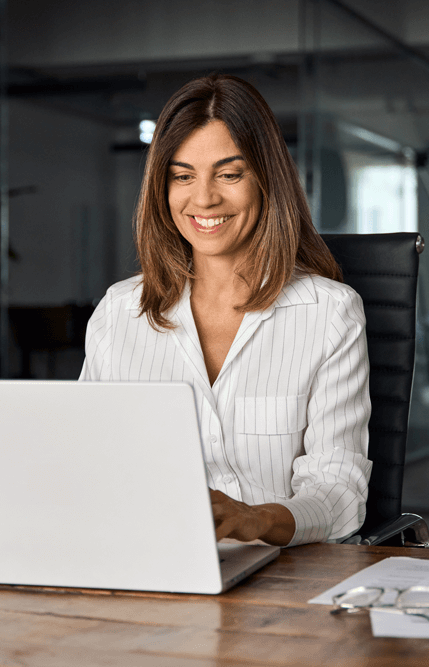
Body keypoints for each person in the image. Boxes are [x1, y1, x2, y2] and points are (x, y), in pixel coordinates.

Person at [78, 75, 372, 547]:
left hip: (280, 576)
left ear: (265, 180)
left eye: (229, 174)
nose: (204, 198)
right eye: (183, 176)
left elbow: (339, 493)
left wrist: (258, 520)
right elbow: (85, 463)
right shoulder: (119, 313)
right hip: (148, 561)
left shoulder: (330, 314)